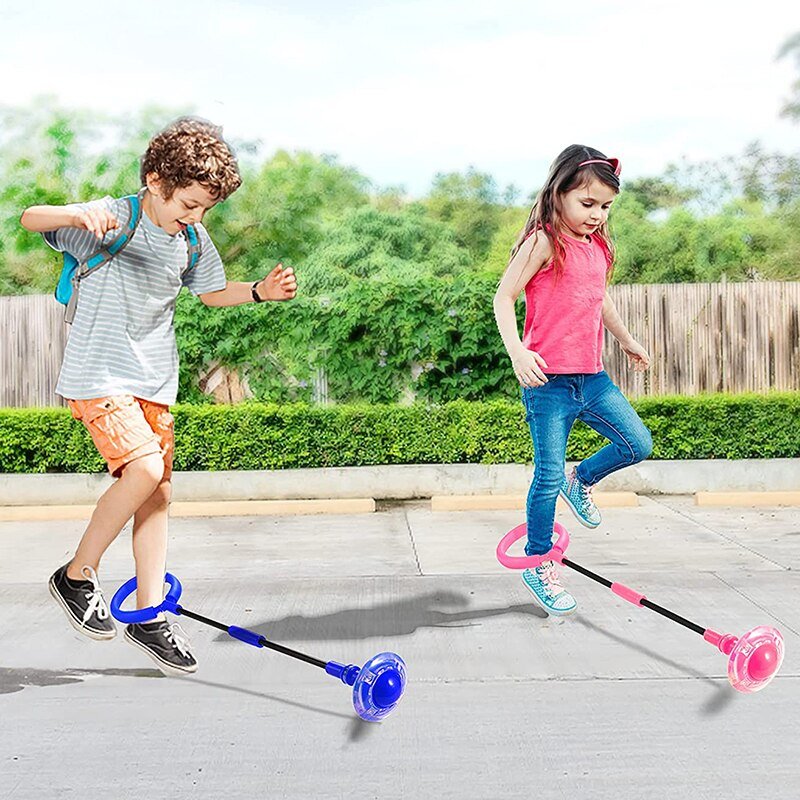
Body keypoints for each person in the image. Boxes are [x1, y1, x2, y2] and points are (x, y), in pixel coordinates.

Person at [20, 117, 297, 673]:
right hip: (100, 375)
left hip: (154, 380)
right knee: (144, 469)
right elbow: (30, 218)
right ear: (155, 180)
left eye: (204, 209)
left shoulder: (191, 239)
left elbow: (213, 293)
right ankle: (76, 575)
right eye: (188, 204)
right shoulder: (113, 219)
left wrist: (260, 293)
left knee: (156, 495)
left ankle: (149, 615)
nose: (195, 218)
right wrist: (77, 213)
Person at [493, 144, 652, 616]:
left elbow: (599, 298)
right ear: (559, 193)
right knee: (544, 478)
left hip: (593, 377)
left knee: (637, 443)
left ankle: (579, 478)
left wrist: (625, 338)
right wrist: (517, 352)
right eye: (588, 204)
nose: (598, 215)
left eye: (605, 206)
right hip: (549, 384)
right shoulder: (543, 241)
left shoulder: (598, 246)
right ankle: (538, 561)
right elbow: (503, 298)